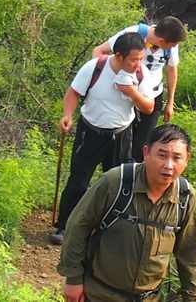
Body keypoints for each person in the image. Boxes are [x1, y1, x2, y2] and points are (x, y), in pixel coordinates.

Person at [57, 124, 196, 302]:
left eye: (177, 158)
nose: (168, 165)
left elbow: (190, 250)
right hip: (100, 294)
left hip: (149, 297)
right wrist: (73, 280)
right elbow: (78, 225)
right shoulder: (116, 182)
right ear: (146, 152)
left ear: (187, 159)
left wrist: (192, 295)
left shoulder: (184, 197)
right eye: (162, 155)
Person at [51, 32, 156, 245]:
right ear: (118, 56)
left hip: (121, 134)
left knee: (119, 183)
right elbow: (73, 93)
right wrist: (67, 115)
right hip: (90, 131)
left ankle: (109, 230)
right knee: (78, 181)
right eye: (134, 59)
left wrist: (132, 93)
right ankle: (65, 226)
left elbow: (149, 107)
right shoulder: (95, 68)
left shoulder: (141, 74)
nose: (138, 64)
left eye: (140, 58)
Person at [93, 16, 187, 162]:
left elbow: (171, 70)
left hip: (152, 96)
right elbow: (99, 51)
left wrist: (170, 102)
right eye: (173, 45)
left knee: (142, 145)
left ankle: (132, 178)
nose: (174, 48)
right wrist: (111, 80)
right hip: (125, 96)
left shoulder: (169, 46)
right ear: (163, 41)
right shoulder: (132, 35)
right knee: (119, 142)